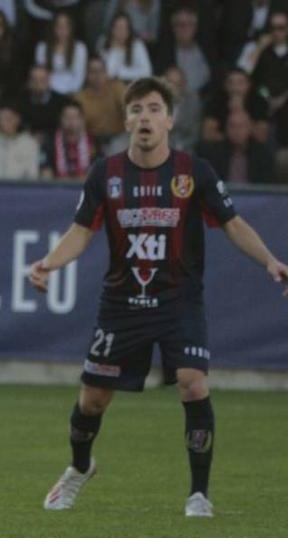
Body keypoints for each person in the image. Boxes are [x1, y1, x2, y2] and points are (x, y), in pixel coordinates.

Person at [31, 76, 288, 518]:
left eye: (153, 109)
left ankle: (198, 495)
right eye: (136, 110)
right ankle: (79, 468)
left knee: (193, 382)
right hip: (121, 304)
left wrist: (269, 260)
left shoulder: (194, 172)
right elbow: (80, 231)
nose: (144, 117)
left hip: (178, 300)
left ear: (170, 119)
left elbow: (232, 223)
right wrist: (49, 263)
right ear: (126, 120)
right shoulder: (105, 174)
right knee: (93, 401)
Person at [196, 109, 274, 185]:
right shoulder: (215, 151)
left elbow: (267, 186)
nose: (236, 131)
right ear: (226, 129)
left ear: (249, 128)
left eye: (241, 126)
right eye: (232, 126)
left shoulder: (262, 153)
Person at [0, 104, 38, 179]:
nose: (4, 123)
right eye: (1, 119)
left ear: (17, 119)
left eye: (8, 119)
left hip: (19, 188)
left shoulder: (29, 143)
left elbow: (32, 173)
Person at [74, 58, 127, 142]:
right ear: (86, 74)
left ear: (106, 73)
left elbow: (130, 107)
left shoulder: (117, 87)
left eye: (100, 71)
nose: (97, 76)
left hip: (119, 136)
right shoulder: (80, 98)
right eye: (92, 72)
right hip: (93, 140)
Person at [34, 12, 88, 95]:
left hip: (72, 93)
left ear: (71, 28)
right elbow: (41, 75)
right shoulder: (42, 48)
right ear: (53, 28)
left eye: (66, 26)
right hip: (48, 92)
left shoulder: (80, 48)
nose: (62, 30)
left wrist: (70, 92)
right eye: (59, 26)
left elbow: (79, 77)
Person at [42, 100, 97, 180]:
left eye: (75, 118)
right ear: (60, 120)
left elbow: (99, 174)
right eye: (67, 118)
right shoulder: (49, 144)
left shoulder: (94, 143)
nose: (71, 123)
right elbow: (45, 174)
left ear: (82, 120)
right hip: (57, 189)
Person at [100, 13, 152, 82]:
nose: (121, 31)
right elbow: (109, 73)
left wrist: (121, 74)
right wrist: (114, 50)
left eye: (125, 28)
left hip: (132, 87)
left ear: (129, 31)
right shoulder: (103, 43)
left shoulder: (137, 45)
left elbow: (147, 72)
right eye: (118, 28)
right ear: (112, 29)